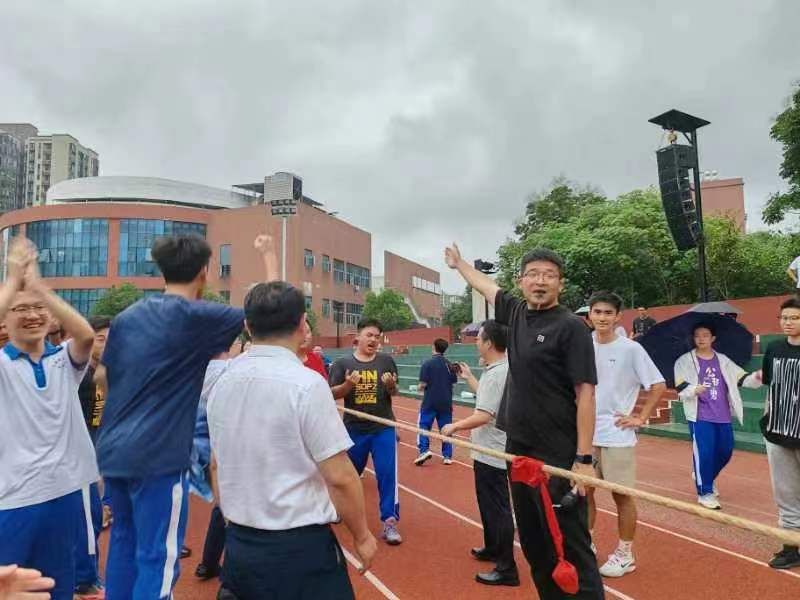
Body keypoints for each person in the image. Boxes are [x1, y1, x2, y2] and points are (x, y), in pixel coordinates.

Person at [95, 233, 271, 598]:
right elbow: (269, 312)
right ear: (204, 272)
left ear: (162, 271)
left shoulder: (127, 317)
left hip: (113, 450)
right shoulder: (199, 315)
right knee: (157, 557)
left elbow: (103, 377)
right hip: (158, 455)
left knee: (124, 543)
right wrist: (269, 256)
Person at [445, 242, 603, 599]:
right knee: (534, 542)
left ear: (560, 283)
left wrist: (584, 459)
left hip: (557, 452)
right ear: (521, 282)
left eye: (549, 275)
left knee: (570, 546)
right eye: (533, 274)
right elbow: (486, 287)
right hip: (518, 450)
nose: (540, 281)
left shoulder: (571, 327)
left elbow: (586, 394)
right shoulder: (516, 313)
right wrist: (459, 264)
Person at [208, 282, 377, 598]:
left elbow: (216, 464)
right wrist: (363, 536)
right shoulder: (307, 384)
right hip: (299, 552)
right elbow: (340, 477)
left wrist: (231, 518)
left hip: (240, 547)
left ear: (247, 326)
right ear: (302, 325)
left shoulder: (222, 382)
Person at [0, 237, 99, 600]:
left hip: (64, 493)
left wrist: (39, 288)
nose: (32, 315)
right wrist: (13, 280)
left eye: (38, 308)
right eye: (20, 309)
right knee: (11, 586)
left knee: (56, 586)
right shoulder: (2, 365)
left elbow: (86, 335)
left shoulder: (63, 361)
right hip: (13, 499)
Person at [585, 292, 666, 578]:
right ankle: (585, 544)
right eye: (597, 312)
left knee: (622, 496)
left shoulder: (631, 349)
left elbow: (657, 384)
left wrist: (640, 417)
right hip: (585, 433)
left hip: (617, 434)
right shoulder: (582, 345)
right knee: (584, 493)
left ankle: (625, 553)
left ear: (618, 316)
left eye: (608, 312)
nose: (602, 317)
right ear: (589, 315)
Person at [441, 320, 519, 587]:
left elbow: (485, 414)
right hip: (486, 451)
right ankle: (493, 548)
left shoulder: (498, 373)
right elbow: (488, 400)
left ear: (489, 343)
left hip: (493, 451)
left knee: (498, 509)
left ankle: (507, 568)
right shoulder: (497, 369)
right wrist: (470, 378)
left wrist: (454, 426)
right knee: (487, 505)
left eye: (478, 338)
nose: (475, 342)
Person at [329, 318, 402, 545]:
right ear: (357, 337)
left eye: (377, 337)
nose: (374, 340)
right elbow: (332, 394)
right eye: (369, 335)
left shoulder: (386, 361)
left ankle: (389, 521)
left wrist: (390, 386)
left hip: (383, 428)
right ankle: (339, 508)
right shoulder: (342, 364)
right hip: (354, 429)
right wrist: (348, 385)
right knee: (348, 476)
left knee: (387, 475)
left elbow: (395, 392)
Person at [745, 297, 800, 569]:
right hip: (777, 432)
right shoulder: (774, 349)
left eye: (794, 318)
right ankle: (791, 548)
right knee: (786, 494)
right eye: (784, 318)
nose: (788, 322)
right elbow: (768, 382)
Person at [674, 323, 750, 510]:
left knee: (726, 451)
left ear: (713, 338)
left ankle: (703, 475)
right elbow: (680, 386)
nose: (701, 339)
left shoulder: (723, 360)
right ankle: (705, 492)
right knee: (705, 453)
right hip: (700, 415)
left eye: (705, 335)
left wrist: (758, 377)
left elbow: (741, 377)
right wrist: (694, 389)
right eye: (697, 335)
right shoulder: (684, 361)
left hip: (722, 414)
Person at [73, 315, 112, 598]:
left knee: (94, 518)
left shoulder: (103, 370)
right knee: (88, 520)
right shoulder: (80, 373)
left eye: (111, 339)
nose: (106, 344)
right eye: (100, 339)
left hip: (97, 452)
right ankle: (85, 580)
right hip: (79, 458)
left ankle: (85, 576)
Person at [192, 354, 231, 581]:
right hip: (226, 440)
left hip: (208, 442)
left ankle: (208, 563)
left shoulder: (195, 368)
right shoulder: (229, 369)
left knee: (223, 503)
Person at [414, 338, 457, 466]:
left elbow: (423, 384)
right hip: (446, 402)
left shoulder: (427, 364)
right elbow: (453, 382)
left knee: (424, 425)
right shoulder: (449, 365)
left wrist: (418, 388)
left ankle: (424, 450)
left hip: (430, 401)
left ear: (433, 347)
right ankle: (447, 456)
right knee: (446, 428)